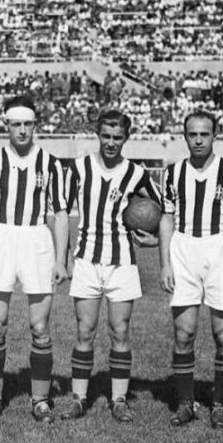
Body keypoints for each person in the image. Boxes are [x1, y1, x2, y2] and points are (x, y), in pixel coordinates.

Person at [61, 110, 162, 423]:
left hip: (122, 263)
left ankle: (118, 399)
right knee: (84, 330)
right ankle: (79, 398)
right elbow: (61, 212)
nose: (111, 142)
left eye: (117, 137)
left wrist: (154, 238)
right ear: (98, 135)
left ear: (126, 138)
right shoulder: (78, 168)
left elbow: (162, 209)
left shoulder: (136, 173)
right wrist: (63, 258)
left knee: (120, 331)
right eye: (106, 136)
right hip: (87, 260)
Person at [0, 95, 69, 422]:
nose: (23, 130)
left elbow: (61, 213)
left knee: (39, 326)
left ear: (35, 126)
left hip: (36, 239)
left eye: (28, 124)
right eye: (17, 125)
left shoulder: (51, 163)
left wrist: (60, 260)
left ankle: (40, 400)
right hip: (0, 238)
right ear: (6, 126)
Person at [159, 110, 223, 429]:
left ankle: (220, 403)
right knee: (183, 332)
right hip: (183, 249)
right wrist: (165, 263)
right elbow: (166, 218)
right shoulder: (172, 173)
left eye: (204, 134)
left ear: (215, 135)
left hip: (221, 249)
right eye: (192, 134)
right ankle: (186, 403)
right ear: (184, 136)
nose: (198, 139)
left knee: (222, 333)